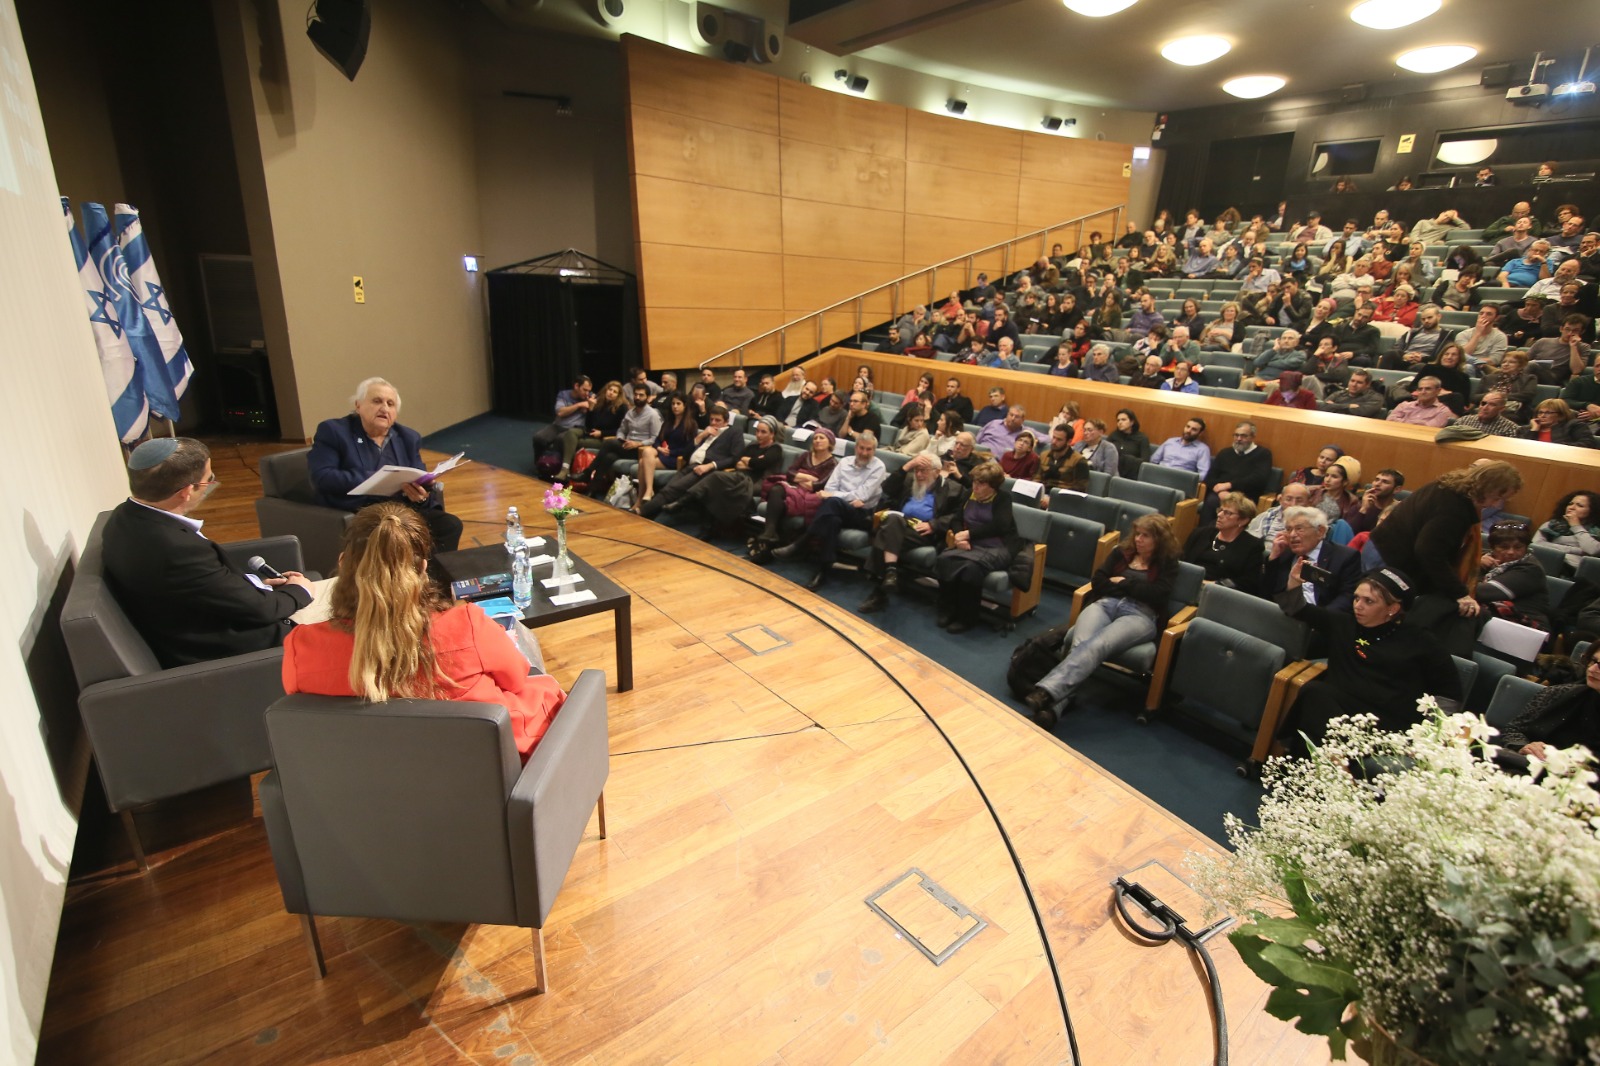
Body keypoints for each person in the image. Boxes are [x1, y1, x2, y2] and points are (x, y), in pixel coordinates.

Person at [282, 503, 565, 761]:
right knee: (546, 688)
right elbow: (516, 678)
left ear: (344, 563)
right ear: (422, 568)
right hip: (478, 769)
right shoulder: (467, 625)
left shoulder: (300, 647)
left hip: (367, 777)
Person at [101, 437, 314, 668]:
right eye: (208, 479)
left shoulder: (122, 518)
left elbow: (197, 587)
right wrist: (299, 591)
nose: (210, 485)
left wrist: (254, 588)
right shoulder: (176, 549)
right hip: (245, 652)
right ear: (187, 491)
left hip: (214, 617)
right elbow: (262, 610)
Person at [1272, 568, 1460, 755]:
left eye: (1368, 601)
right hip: (1337, 710)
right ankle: (1337, 762)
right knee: (1315, 694)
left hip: (1385, 723)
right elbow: (1298, 609)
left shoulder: (1421, 640)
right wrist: (1294, 582)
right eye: (1356, 598)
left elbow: (1450, 692)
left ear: (1392, 609)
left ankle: (1330, 761)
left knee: (1315, 698)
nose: (1358, 606)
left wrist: (1428, 735)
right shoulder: (1343, 624)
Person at [1021, 516, 1182, 729]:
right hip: (1105, 604)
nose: (1138, 539)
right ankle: (1053, 709)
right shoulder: (1121, 552)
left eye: (1146, 536)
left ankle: (1047, 692)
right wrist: (1131, 588)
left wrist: (1124, 583)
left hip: (1140, 615)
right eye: (1137, 534)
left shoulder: (1167, 563)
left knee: (1099, 644)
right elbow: (1098, 582)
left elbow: (1158, 594)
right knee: (1080, 644)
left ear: (1159, 540)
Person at [1370, 461, 1524, 654]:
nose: (1495, 504)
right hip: (1390, 557)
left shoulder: (1448, 487)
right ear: (1488, 486)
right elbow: (1429, 552)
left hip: (1386, 548)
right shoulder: (1455, 508)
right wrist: (1460, 593)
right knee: (1374, 616)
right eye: (1498, 497)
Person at [308, 377, 463, 553]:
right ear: (358, 405)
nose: (384, 408)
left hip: (399, 509)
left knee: (450, 525)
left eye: (390, 404)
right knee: (391, 534)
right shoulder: (334, 431)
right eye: (377, 401)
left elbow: (418, 477)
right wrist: (376, 478)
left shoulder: (408, 437)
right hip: (357, 510)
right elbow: (323, 477)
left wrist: (421, 496)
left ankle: (425, 571)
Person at [772, 432, 887, 590]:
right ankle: (823, 570)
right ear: (856, 447)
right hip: (839, 510)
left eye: (869, 449)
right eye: (861, 448)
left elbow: (861, 495)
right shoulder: (845, 462)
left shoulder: (878, 467)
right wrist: (840, 496)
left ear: (874, 450)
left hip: (862, 515)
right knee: (832, 520)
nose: (864, 453)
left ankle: (802, 542)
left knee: (832, 502)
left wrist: (835, 496)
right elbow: (829, 488)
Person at [857, 453, 966, 614]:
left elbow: (958, 515)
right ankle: (889, 574)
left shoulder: (954, 489)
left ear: (937, 472)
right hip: (900, 524)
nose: (919, 474)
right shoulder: (909, 480)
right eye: (916, 470)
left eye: (924, 471)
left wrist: (934, 524)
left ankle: (881, 588)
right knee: (894, 520)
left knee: (884, 534)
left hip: (923, 531)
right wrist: (907, 466)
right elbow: (887, 488)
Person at [931, 461, 1026, 634]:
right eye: (975, 481)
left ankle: (967, 617)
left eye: (981, 484)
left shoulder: (1003, 498)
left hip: (998, 547)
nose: (975, 486)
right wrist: (959, 537)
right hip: (972, 544)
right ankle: (947, 609)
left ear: (993, 486)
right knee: (944, 559)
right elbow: (956, 519)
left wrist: (968, 535)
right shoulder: (970, 494)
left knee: (970, 569)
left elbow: (1000, 526)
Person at [1496, 642, 1600, 772]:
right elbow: (1513, 729)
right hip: (1529, 768)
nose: (1592, 669)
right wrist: (1525, 746)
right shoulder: (1558, 694)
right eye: (1593, 661)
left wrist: (1585, 771)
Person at [677, 416, 786, 535]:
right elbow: (738, 462)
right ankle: (708, 527)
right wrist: (752, 462)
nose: (759, 435)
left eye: (763, 432)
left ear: (772, 434)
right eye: (757, 431)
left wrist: (749, 461)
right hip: (739, 476)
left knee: (716, 476)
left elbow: (760, 463)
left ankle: (685, 500)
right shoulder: (753, 445)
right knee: (715, 486)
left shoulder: (775, 449)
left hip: (757, 483)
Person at [638, 404, 745, 519]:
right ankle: (651, 515)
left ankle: (642, 511)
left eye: (717, 420)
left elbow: (735, 457)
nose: (713, 423)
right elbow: (685, 453)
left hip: (704, 469)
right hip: (689, 466)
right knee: (668, 487)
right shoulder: (707, 432)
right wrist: (701, 436)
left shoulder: (734, 432)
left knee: (672, 490)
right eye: (711, 419)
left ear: (726, 422)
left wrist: (711, 465)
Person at [747, 428, 839, 561]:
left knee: (780, 495)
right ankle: (770, 534)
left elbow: (819, 485)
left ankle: (769, 538)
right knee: (777, 489)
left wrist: (799, 477)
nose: (817, 440)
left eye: (821, 438)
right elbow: (790, 473)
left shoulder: (833, 463)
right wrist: (807, 477)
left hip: (811, 495)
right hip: (794, 488)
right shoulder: (806, 455)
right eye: (815, 438)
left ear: (830, 442)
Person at [1262, 506, 1361, 613]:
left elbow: (1347, 596)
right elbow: (1265, 591)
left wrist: (1318, 617)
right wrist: (1273, 558)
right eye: (1289, 529)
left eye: (1299, 529)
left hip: (1320, 616)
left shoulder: (1344, 557)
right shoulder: (1284, 554)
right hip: (1280, 614)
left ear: (1320, 531)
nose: (1292, 535)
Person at [1468, 521, 1550, 632]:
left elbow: (1482, 593)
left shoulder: (1531, 569)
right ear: (1492, 547)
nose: (1511, 552)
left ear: (1526, 547)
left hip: (1524, 626)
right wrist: (1475, 563)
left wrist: (1474, 566)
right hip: (1493, 618)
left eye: (1518, 547)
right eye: (1504, 547)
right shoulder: (1483, 557)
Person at [1184, 492, 1261, 591]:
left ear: (1243, 520)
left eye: (1227, 513)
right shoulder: (1200, 533)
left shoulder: (1252, 546)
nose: (1219, 515)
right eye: (1220, 510)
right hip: (1189, 584)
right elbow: (1182, 561)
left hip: (1219, 592)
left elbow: (1248, 582)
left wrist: (1215, 584)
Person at [1201, 421, 1273, 524]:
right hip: (1221, 494)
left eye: (1243, 436)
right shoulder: (1225, 453)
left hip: (1246, 497)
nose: (1239, 439)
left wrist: (1230, 485)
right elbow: (1210, 478)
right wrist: (1221, 492)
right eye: (1236, 435)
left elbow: (1259, 479)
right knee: (1211, 501)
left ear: (1253, 437)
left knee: (1227, 507)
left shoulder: (1263, 454)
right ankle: (1205, 532)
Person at [636, 391, 696, 507]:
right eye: (673, 404)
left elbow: (688, 448)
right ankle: (648, 492)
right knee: (647, 451)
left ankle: (641, 498)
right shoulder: (668, 422)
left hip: (676, 458)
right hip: (663, 453)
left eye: (678, 404)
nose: (675, 406)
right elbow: (658, 439)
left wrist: (671, 452)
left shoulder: (691, 424)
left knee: (642, 462)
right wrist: (659, 448)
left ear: (685, 406)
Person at [531, 374, 593, 476]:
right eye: (584, 390)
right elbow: (560, 412)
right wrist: (579, 405)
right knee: (539, 438)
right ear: (576, 386)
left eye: (589, 391)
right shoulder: (564, 395)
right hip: (557, 426)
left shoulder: (590, 398)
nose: (587, 393)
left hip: (573, 429)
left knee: (560, 440)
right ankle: (539, 464)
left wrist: (591, 406)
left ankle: (555, 468)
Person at [1533, 491, 1600, 572]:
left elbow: (1593, 550)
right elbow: (1536, 544)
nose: (1571, 507)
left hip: (1574, 571)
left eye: (1580, 505)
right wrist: (1578, 550)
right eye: (1570, 504)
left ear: (1592, 511)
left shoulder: (1596, 532)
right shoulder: (1552, 525)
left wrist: (1576, 526)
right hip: (1546, 563)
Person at [1522, 397, 1597, 448]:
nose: (1542, 416)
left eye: (1548, 413)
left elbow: (1588, 444)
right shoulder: (1526, 429)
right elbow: (1522, 448)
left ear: (1560, 415)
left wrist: (1557, 447)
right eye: (1540, 412)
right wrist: (1534, 430)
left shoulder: (1574, 426)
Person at [1107, 409, 1150, 479]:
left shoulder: (1142, 438)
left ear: (1132, 422)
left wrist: (1127, 459)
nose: (1120, 422)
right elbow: (1104, 451)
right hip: (1112, 469)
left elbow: (1145, 461)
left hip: (1131, 473)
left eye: (1123, 420)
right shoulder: (1114, 435)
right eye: (1118, 420)